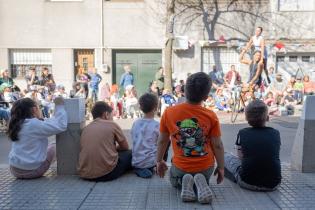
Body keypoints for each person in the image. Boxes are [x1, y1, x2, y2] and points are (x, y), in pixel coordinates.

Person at [156, 72, 224, 204]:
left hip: (181, 168)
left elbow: (162, 140)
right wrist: (221, 167)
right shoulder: (211, 115)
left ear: (184, 91)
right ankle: (201, 181)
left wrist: (159, 161)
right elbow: (218, 145)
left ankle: (182, 182)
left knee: (173, 177)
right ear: (206, 96)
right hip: (206, 168)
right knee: (202, 172)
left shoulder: (169, 113)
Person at [224, 100, 281, 191]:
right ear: (267, 117)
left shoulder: (243, 133)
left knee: (225, 156)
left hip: (247, 182)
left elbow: (241, 158)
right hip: (274, 184)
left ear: (247, 118)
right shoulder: (275, 133)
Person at [8, 97, 67, 179]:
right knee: (54, 146)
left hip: (14, 169)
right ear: (34, 109)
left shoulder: (17, 123)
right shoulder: (33, 124)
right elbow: (61, 125)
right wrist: (59, 106)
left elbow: (46, 122)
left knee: (47, 147)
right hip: (32, 171)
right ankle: (64, 169)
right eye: (39, 108)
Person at [78, 101, 131, 181]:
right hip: (107, 173)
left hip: (85, 174)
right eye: (111, 116)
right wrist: (113, 148)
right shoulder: (112, 125)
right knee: (130, 153)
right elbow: (125, 147)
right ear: (106, 114)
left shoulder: (86, 129)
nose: (112, 119)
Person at [131, 93, 159, 178]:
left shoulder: (136, 123)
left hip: (136, 161)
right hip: (151, 161)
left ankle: (141, 168)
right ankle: (158, 165)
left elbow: (133, 138)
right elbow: (161, 142)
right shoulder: (157, 125)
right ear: (155, 108)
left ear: (140, 107)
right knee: (165, 142)